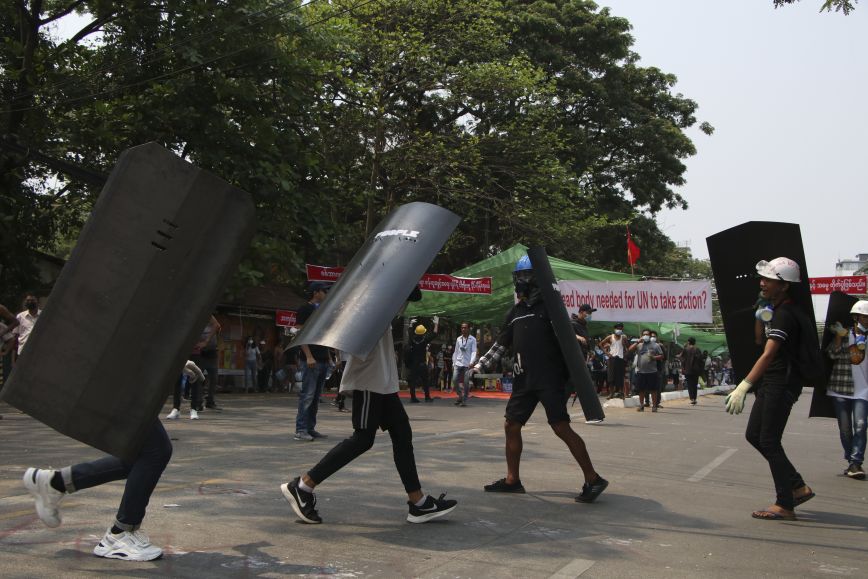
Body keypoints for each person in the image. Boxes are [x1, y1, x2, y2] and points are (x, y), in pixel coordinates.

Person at [281, 287, 458, 524]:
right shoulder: (365, 301)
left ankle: (418, 502)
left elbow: (410, 295)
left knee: (402, 433)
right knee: (363, 438)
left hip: (383, 381)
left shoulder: (381, 296)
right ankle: (303, 486)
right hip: (369, 380)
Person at [470, 255, 608, 503]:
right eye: (519, 277)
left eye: (525, 276)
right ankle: (513, 480)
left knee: (560, 427)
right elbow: (501, 345)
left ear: (538, 279)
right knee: (511, 425)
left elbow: (569, 344)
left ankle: (593, 479)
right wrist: (478, 367)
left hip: (549, 379)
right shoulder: (516, 312)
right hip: (524, 380)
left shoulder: (552, 309)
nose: (521, 282)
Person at [23, 362, 178, 562]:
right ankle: (120, 533)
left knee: (143, 456)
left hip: (116, 376)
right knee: (155, 451)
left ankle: (56, 482)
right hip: (115, 377)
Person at [724, 257, 815, 521]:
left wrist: (744, 385)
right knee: (754, 435)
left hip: (781, 383)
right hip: (772, 382)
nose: (762, 283)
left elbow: (767, 354)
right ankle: (797, 486)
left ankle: (785, 502)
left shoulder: (786, 315)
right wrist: (761, 313)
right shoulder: (775, 310)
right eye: (762, 278)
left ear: (784, 286)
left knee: (769, 440)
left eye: (769, 280)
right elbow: (758, 340)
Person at [825, 300, 868, 480]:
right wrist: (838, 336)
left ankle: (856, 462)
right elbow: (832, 354)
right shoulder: (843, 334)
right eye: (863, 317)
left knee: (860, 425)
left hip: (863, 390)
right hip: (840, 387)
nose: (866, 320)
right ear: (855, 317)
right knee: (845, 429)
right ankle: (851, 461)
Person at [294, 281, 334, 441]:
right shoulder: (305, 309)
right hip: (311, 359)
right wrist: (308, 355)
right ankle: (301, 429)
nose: (326, 293)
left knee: (316, 397)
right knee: (308, 395)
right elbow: (299, 333)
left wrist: (330, 357)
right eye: (324, 291)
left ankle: (310, 428)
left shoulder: (322, 311)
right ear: (316, 292)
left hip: (323, 357)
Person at [191, 314, 221, 410]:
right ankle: (198, 402)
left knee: (214, 378)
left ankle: (210, 401)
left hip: (212, 352)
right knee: (199, 378)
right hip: (201, 354)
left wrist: (206, 341)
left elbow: (217, 325)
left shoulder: (208, 316)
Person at [629, 329, 664, 412]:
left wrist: (654, 357)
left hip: (652, 371)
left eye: (647, 334)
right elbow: (630, 349)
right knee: (641, 390)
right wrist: (637, 341)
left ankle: (654, 406)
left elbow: (662, 356)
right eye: (644, 334)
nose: (646, 336)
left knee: (653, 390)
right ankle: (641, 405)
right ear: (642, 335)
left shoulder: (655, 345)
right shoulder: (639, 345)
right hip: (641, 371)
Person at [406, 318, 440, 403]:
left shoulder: (412, 340)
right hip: (422, 364)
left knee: (412, 381)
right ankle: (427, 397)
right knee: (425, 381)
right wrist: (436, 323)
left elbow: (409, 333)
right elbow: (435, 333)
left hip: (414, 364)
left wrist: (410, 325)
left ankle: (413, 397)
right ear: (424, 332)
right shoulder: (424, 340)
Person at [451, 322, 477, 406]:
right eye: (462, 327)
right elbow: (456, 351)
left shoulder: (472, 339)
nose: (463, 329)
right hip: (458, 362)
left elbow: (474, 351)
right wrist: (453, 362)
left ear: (468, 329)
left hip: (467, 363)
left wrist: (472, 361)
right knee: (454, 380)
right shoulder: (458, 339)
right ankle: (460, 396)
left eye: (465, 327)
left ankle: (464, 399)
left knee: (466, 382)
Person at [599, 323, 628, 399]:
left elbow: (626, 347)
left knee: (620, 376)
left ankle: (621, 392)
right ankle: (611, 393)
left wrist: (625, 353)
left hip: (620, 358)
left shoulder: (623, 337)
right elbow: (601, 344)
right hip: (611, 358)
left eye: (621, 328)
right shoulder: (610, 337)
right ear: (614, 329)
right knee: (611, 377)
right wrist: (607, 353)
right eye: (618, 328)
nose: (619, 330)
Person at [679, 337, 704, 405]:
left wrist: (683, 367)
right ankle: (695, 398)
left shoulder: (686, 349)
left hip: (688, 370)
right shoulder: (697, 349)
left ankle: (692, 399)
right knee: (694, 385)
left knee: (690, 385)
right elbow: (701, 360)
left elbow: (681, 357)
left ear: (688, 342)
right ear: (694, 342)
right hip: (695, 370)